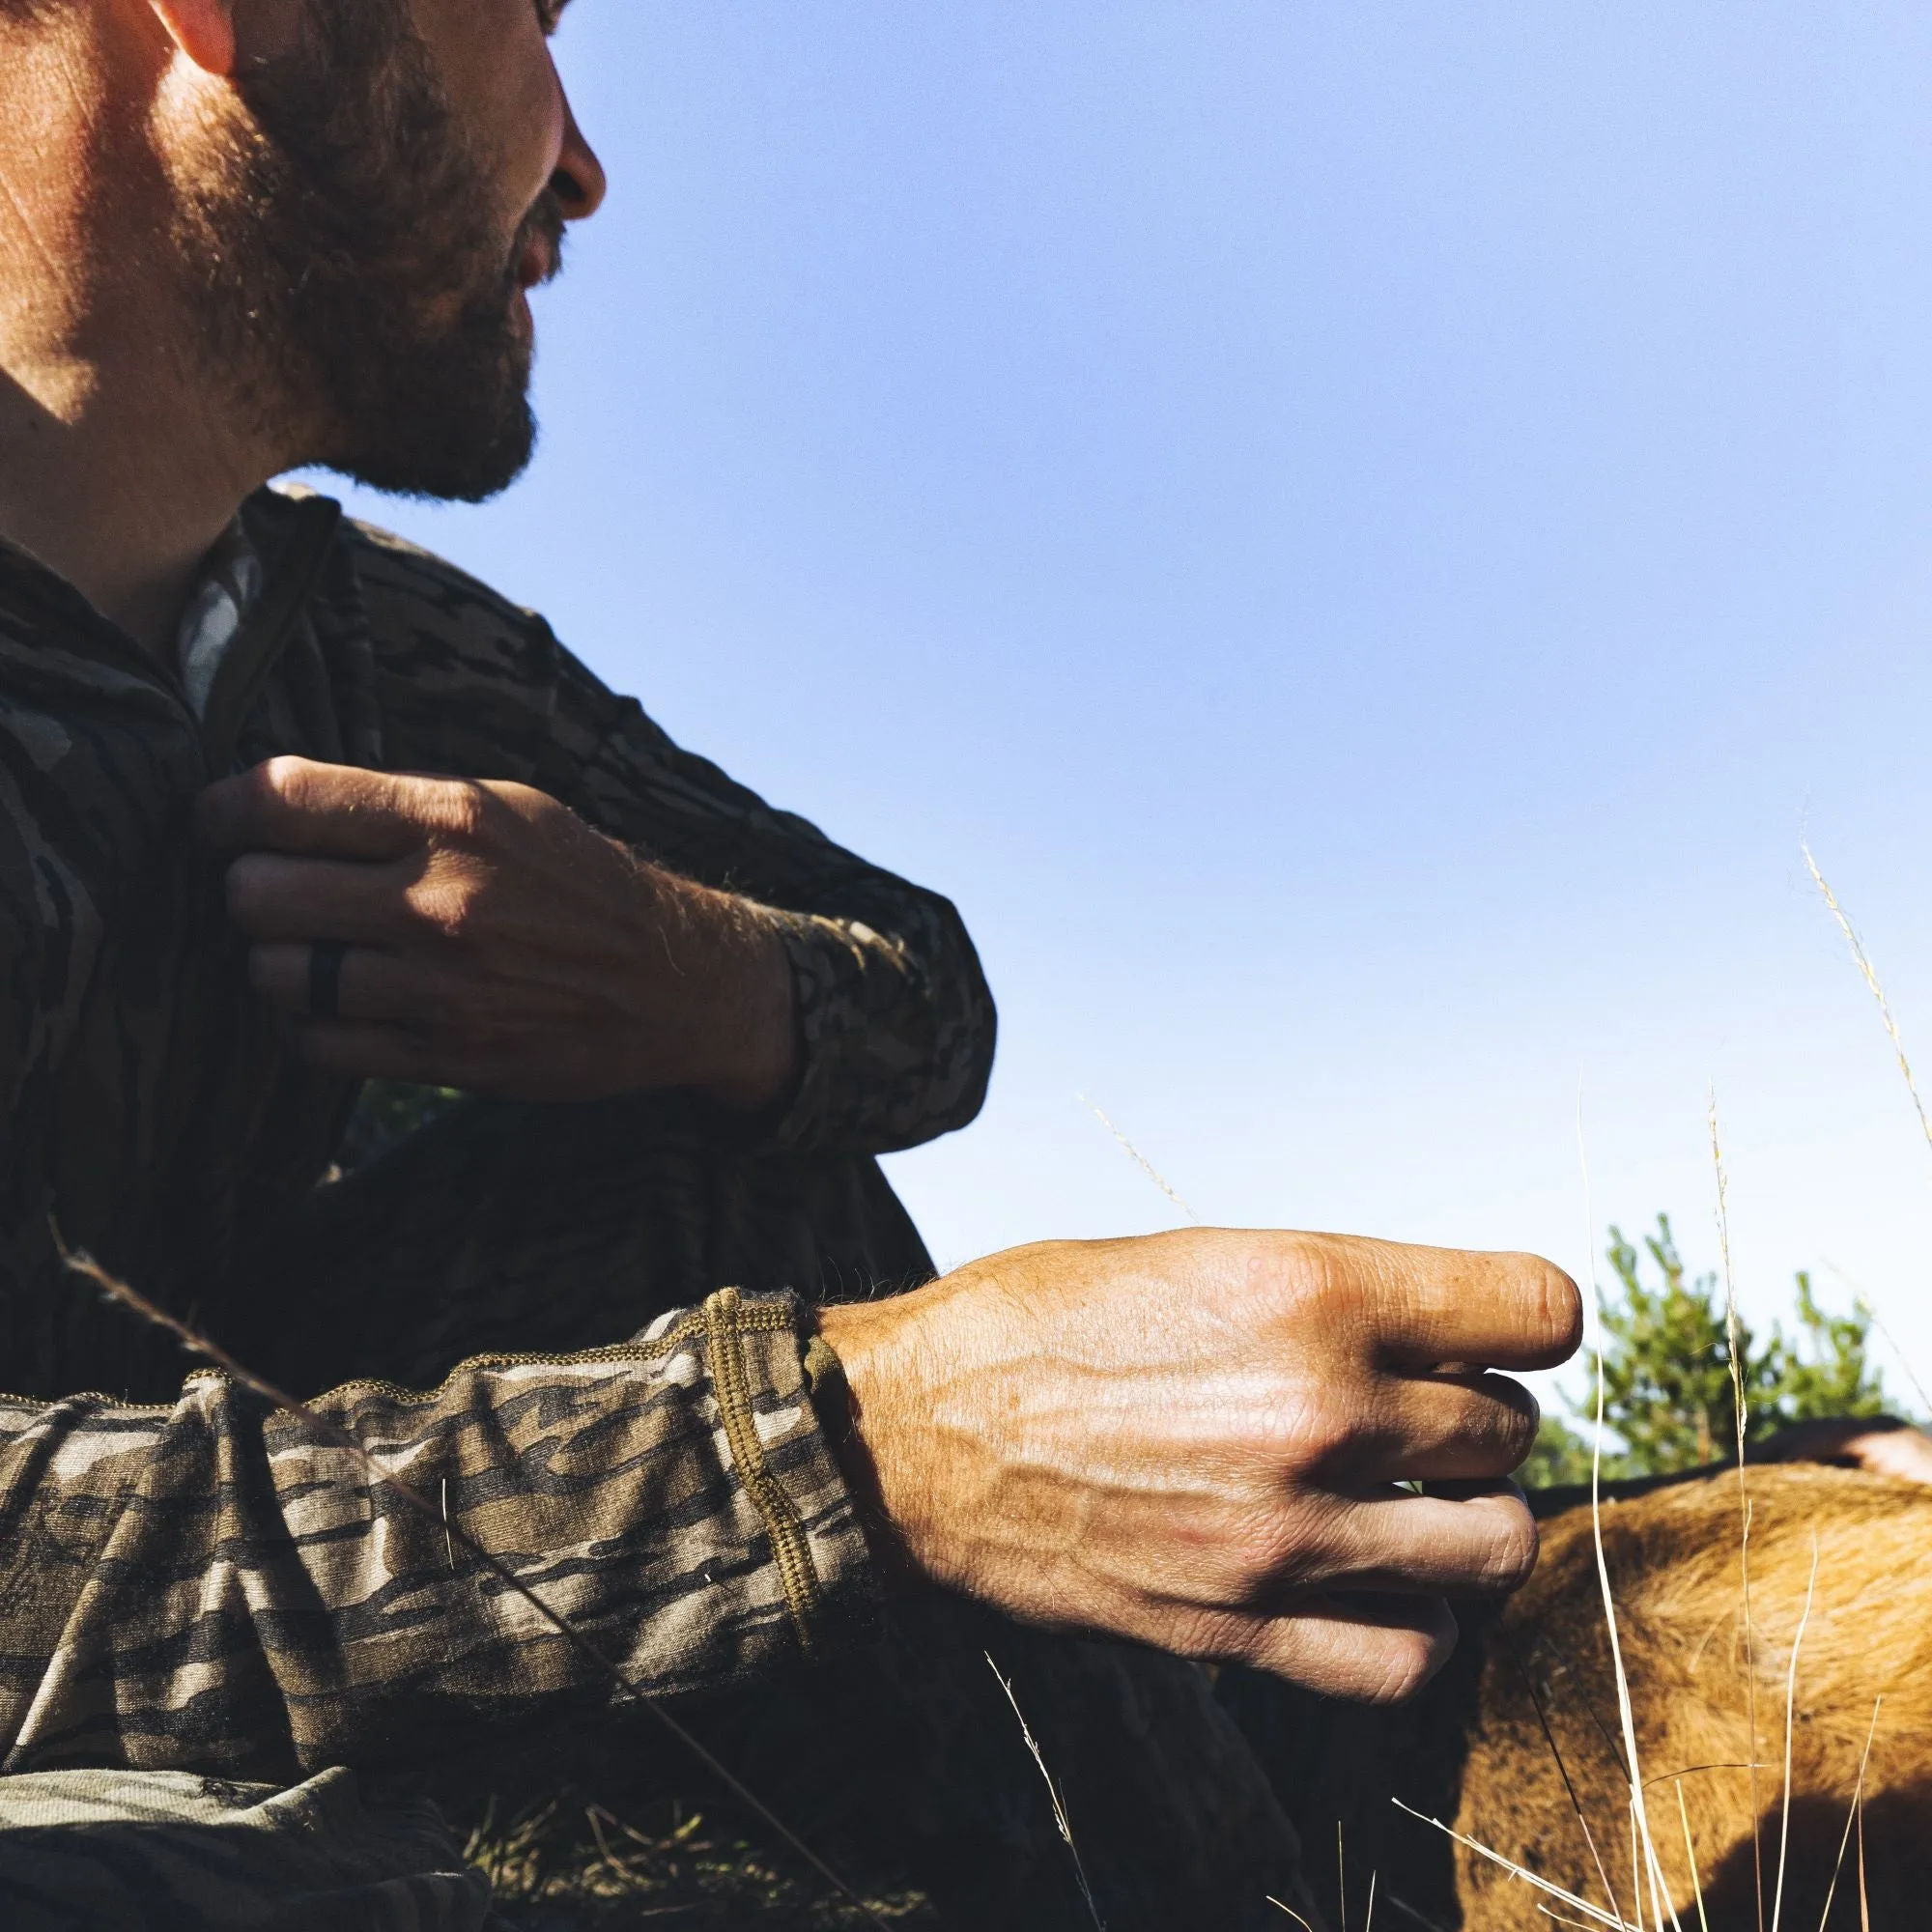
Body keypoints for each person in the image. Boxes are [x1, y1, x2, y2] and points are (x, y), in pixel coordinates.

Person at [0, 2, 1585, 1925]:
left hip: (320, 1601)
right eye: (530, 14)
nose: (580, 161)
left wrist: (709, 985)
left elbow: (926, 983)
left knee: (722, 1163)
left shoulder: (355, 646)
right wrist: (858, 1449)